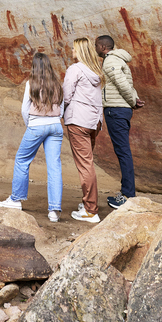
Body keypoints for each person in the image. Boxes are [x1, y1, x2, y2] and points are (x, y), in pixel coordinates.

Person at [0, 52, 64, 222]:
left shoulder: (31, 83)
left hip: (36, 125)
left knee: (22, 160)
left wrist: (30, 125)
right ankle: (54, 211)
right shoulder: (57, 83)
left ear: (34, 66)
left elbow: (24, 109)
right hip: (55, 125)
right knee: (54, 166)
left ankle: (16, 199)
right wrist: (54, 119)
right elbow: (62, 107)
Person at [95, 34, 145, 209]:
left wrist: (132, 100)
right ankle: (127, 192)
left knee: (123, 151)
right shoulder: (118, 59)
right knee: (123, 151)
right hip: (121, 108)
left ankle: (127, 195)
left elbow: (122, 83)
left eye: (96, 46)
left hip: (115, 109)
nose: (95, 49)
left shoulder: (110, 61)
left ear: (102, 47)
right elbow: (126, 84)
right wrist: (134, 98)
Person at [63, 37, 104, 223]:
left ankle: (90, 210)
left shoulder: (75, 69)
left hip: (78, 120)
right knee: (88, 163)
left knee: (85, 165)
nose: (72, 51)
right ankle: (88, 203)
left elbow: (66, 94)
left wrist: (61, 113)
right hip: (93, 121)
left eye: (73, 48)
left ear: (79, 50)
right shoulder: (96, 71)